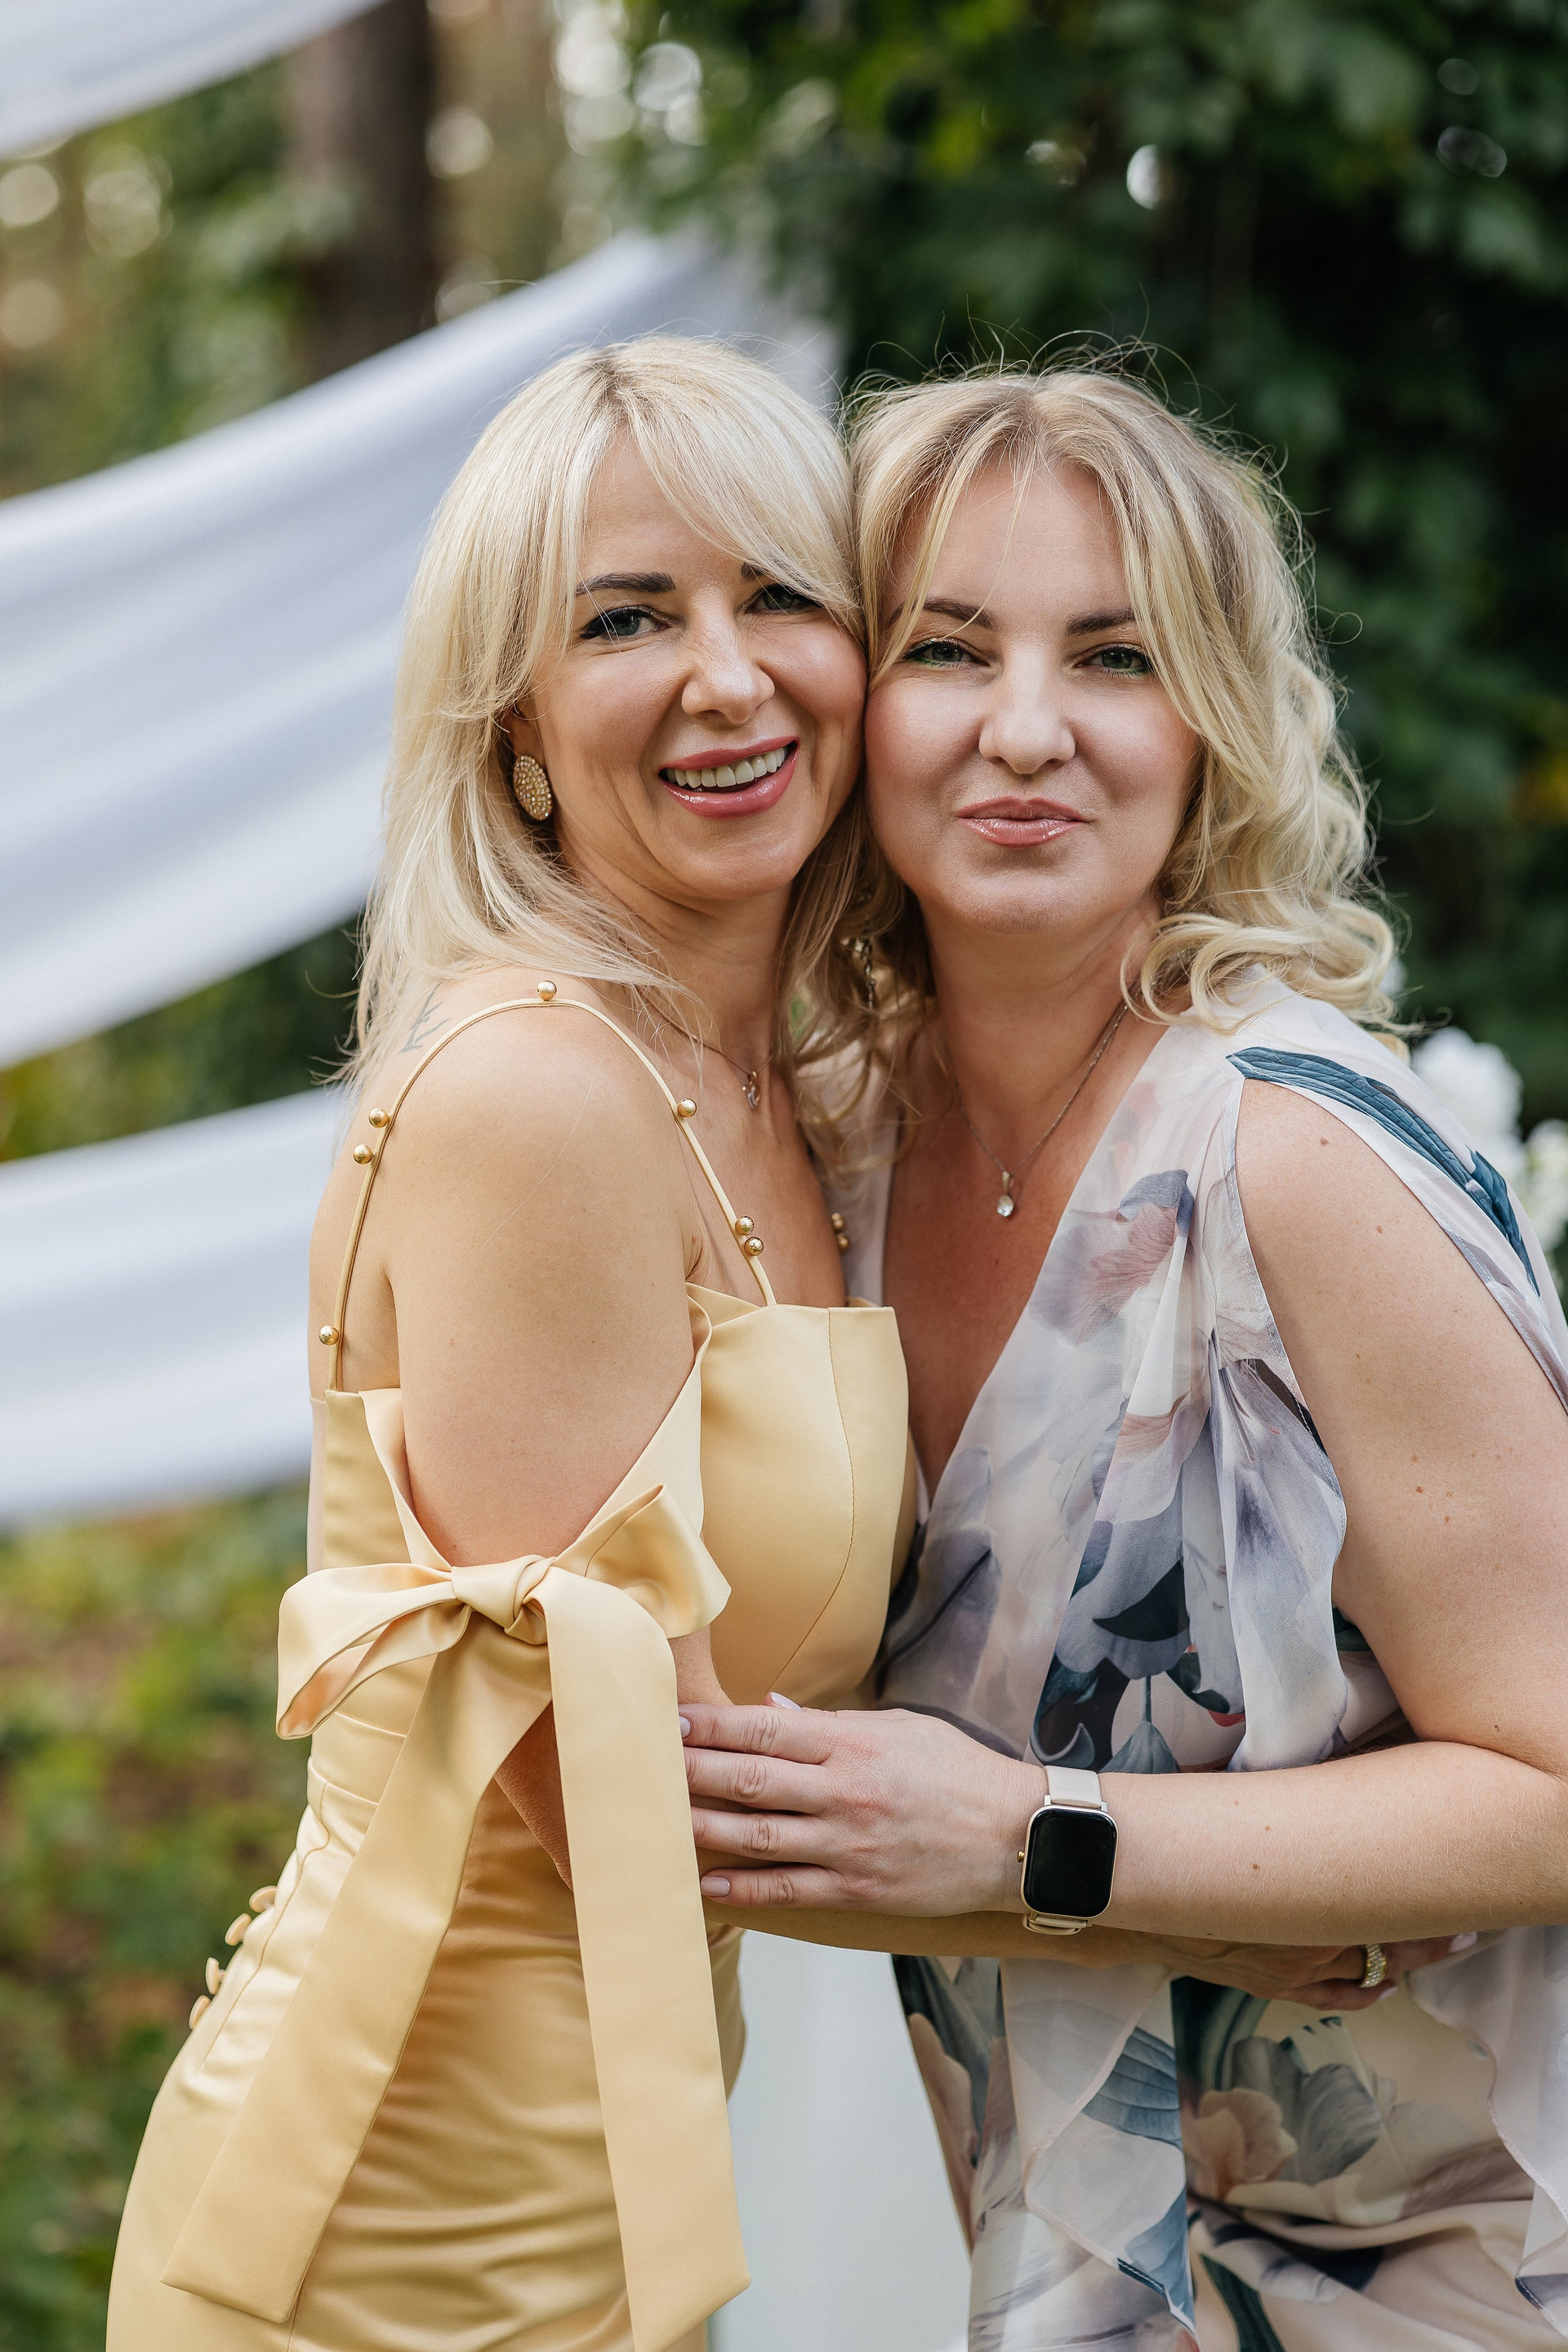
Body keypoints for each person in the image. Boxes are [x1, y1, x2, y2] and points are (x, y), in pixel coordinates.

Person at [681, 369, 1568, 2349]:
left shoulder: (1295, 1154)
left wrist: (1039, 1845)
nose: (1027, 728)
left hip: (1450, 2266)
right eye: (947, 649)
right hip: (1066, 2254)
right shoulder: (819, 1157)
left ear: (1210, 722)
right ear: (849, 706)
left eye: (1113, 655)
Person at [106, 337, 915, 2352]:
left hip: (611, 2186)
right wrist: (1156, 1895)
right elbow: (638, 1805)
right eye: (627, 619)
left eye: (778, 596)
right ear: (520, 729)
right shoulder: (540, 1099)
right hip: (396, 2234)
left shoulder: (796, 1086)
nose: (726, 677)